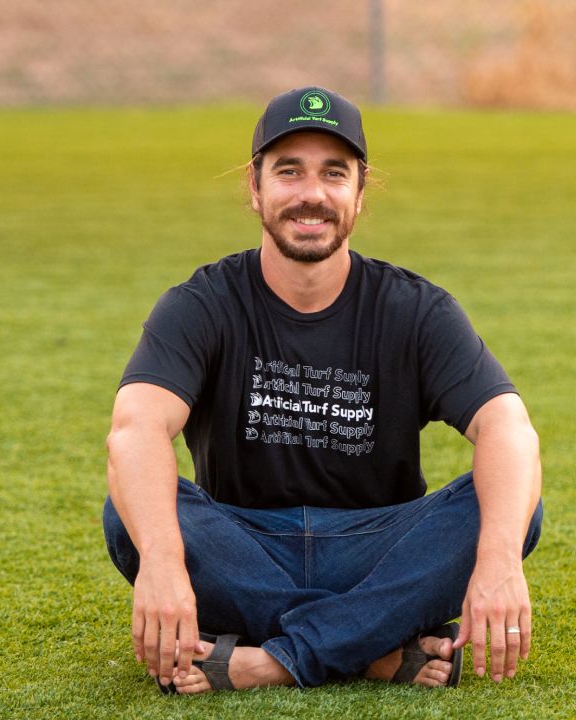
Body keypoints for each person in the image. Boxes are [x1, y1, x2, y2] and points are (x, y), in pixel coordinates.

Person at [101, 86, 543, 695]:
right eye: (289, 172)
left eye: (334, 174)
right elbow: (136, 429)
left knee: (512, 509)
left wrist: (497, 564)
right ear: (254, 188)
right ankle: (371, 650)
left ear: (361, 195)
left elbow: (508, 429)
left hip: (377, 552)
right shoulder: (200, 304)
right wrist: (165, 563)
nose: (312, 193)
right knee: (132, 516)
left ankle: (272, 661)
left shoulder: (416, 310)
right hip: (244, 547)